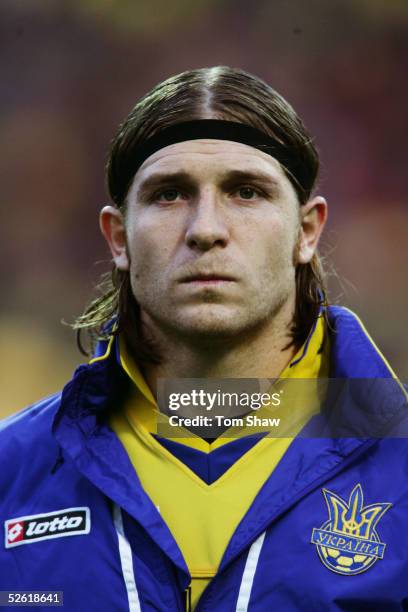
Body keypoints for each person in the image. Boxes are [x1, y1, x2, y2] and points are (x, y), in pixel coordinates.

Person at [0, 66, 407, 612]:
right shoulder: (11, 473)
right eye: (169, 195)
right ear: (118, 238)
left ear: (306, 232)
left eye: (246, 191)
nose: (205, 229)